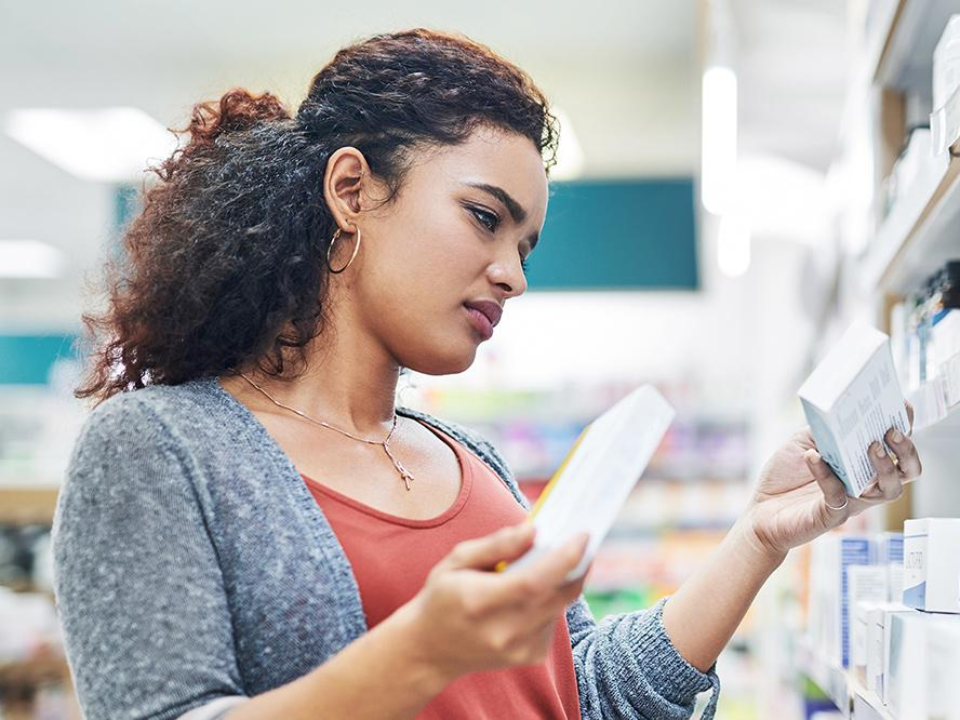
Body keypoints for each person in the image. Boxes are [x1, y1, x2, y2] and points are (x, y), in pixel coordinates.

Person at [52, 28, 922, 720]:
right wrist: (422, 651)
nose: (514, 273)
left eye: (526, 244)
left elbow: (581, 693)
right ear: (351, 190)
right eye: (483, 218)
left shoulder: (470, 462)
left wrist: (758, 537)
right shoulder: (158, 451)